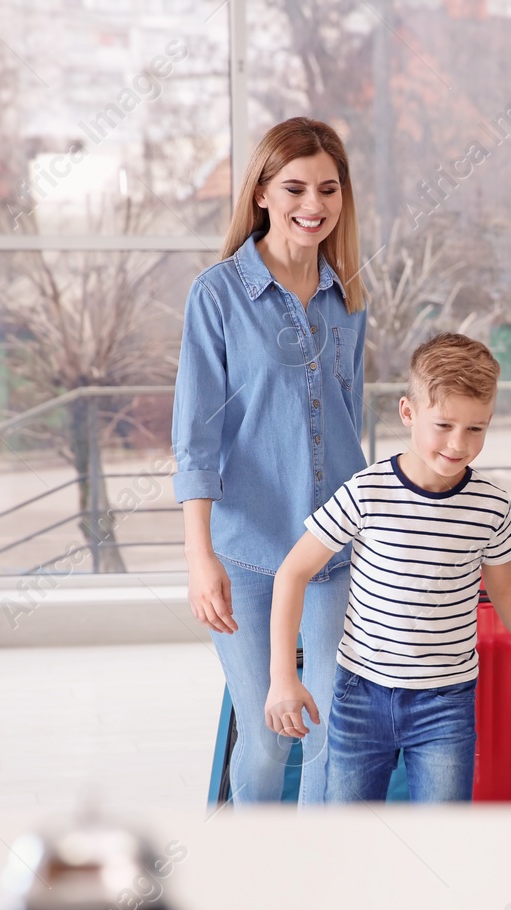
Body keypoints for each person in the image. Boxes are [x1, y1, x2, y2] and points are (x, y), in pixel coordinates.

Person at [265, 334, 511, 802]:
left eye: (476, 429)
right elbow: (291, 573)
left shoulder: (491, 506)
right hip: (360, 695)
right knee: (350, 840)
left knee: (442, 844)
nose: (459, 444)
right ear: (408, 412)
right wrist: (283, 677)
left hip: (447, 703)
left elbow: (505, 590)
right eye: (444, 425)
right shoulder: (367, 491)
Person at [172, 117, 369, 805]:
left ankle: (316, 880)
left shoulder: (349, 297)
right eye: (294, 187)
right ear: (261, 191)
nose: (312, 204)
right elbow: (194, 440)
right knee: (267, 735)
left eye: (328, 188)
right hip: (248, 555)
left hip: (336, 552)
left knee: (330, 731)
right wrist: (201, 558)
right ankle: (248, 878)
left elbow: (353, 422)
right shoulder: (218, 296)